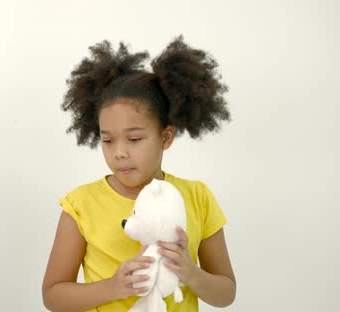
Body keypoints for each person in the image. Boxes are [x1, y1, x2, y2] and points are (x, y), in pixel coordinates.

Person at [42, 36, 236, 311]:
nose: (119, 152)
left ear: (166, 137)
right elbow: (52, 295)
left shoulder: (197, 197)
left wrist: (191, 273)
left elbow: (226, 292)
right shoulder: (80, 204)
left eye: (133, 139)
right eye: (107, 140)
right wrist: (113, 287)